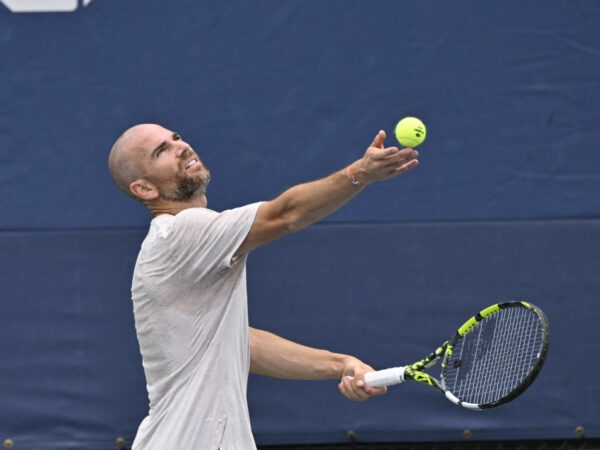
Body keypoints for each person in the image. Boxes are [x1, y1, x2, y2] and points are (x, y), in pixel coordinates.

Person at [108, 123, 419, 450]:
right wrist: (360, 173)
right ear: (144, 189)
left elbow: (243, 344)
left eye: (175, 138)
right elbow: (286, 215)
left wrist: (341, 364)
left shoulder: (179, 248)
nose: (181, 146)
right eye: (161, 151)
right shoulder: (181, 233)